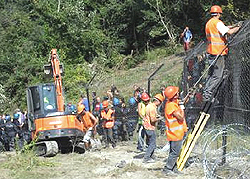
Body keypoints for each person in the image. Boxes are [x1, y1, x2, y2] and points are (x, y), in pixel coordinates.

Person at [203, 5, 240, 102]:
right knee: (217, 75)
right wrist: (239, 27)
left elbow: (223, 28)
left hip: (211, 51)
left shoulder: (209, 23)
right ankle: (207, 94)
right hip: (218, 52)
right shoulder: (218, 22)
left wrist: (233, 25)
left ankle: (206, 92)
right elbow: (230, 32)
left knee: (211, 74)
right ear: (219, 13)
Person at [163, 86, 187, 174]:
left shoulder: (173, 102)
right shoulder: (170, 106)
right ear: (174, 95)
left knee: (174, 152)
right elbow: (181, 117)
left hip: (176, 133)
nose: (178, 93)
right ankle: (167, 169)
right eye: (177, 92)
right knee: (175, 153)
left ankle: (173, 168)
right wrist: (182, 108)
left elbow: (181, 102)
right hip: (175, 134)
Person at [143, 93, 164, 163]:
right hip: (150, 127)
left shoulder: (149, 105)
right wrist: (160, 119)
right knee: (153, 144)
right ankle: (146, 158)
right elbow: (152, 120)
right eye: (160, 102)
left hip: (146, 126)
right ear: (158, 101)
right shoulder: (152, 108)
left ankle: (151, 156)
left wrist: (157, 116)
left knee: (149, 142)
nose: (160, 104)